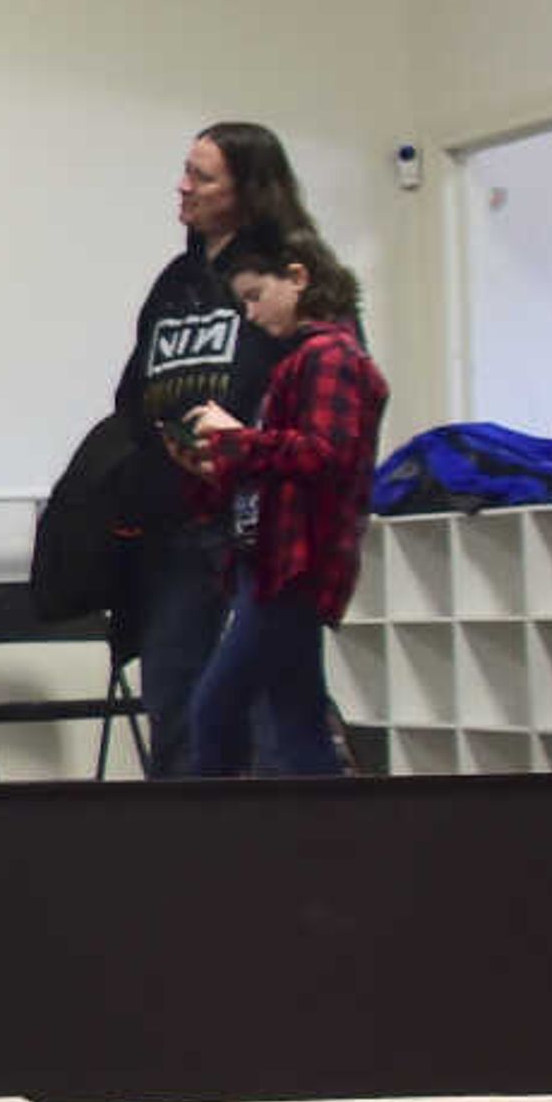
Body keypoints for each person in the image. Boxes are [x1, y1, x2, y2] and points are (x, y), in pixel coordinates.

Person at [115, 122, 320, 772]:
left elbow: (331, 382)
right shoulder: (175, 280)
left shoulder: (291, 270)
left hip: (257, 524)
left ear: (249, 190)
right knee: (173, 692)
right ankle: (184, 851)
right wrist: (163, 440)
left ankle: (275, 854)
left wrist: (245, 435)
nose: (183, 187)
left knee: (258, 701)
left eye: (202, 177)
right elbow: (132, 390)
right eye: (186, 170)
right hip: (176, 518)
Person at [174, 228, 387, 778]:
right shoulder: (301, 361)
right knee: (297, 721)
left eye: (254, 297)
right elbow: (285, 463)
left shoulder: (331, 357)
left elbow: (325, 456)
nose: (250, 315)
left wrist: (233, 438)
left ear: (297, 278)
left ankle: (222, 846)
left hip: (292, 568)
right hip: (270, 562)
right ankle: (325, 846)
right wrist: (214, 463)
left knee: (215, 711)